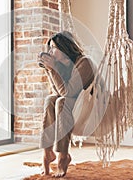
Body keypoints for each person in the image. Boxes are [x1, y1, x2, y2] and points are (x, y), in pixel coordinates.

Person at [37, 31, 96, 178]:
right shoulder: (62, 66)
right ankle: (47, 152)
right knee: (50, 99)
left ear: (65, 47)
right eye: (49, 48)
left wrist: (53, 69)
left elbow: (67, 92)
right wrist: (50, 70)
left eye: (53, 47)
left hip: (90, 106)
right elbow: (56, 91)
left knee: (61, 101)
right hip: (70, 105)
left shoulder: (84, 62)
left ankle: (63, 156)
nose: (50, 52)